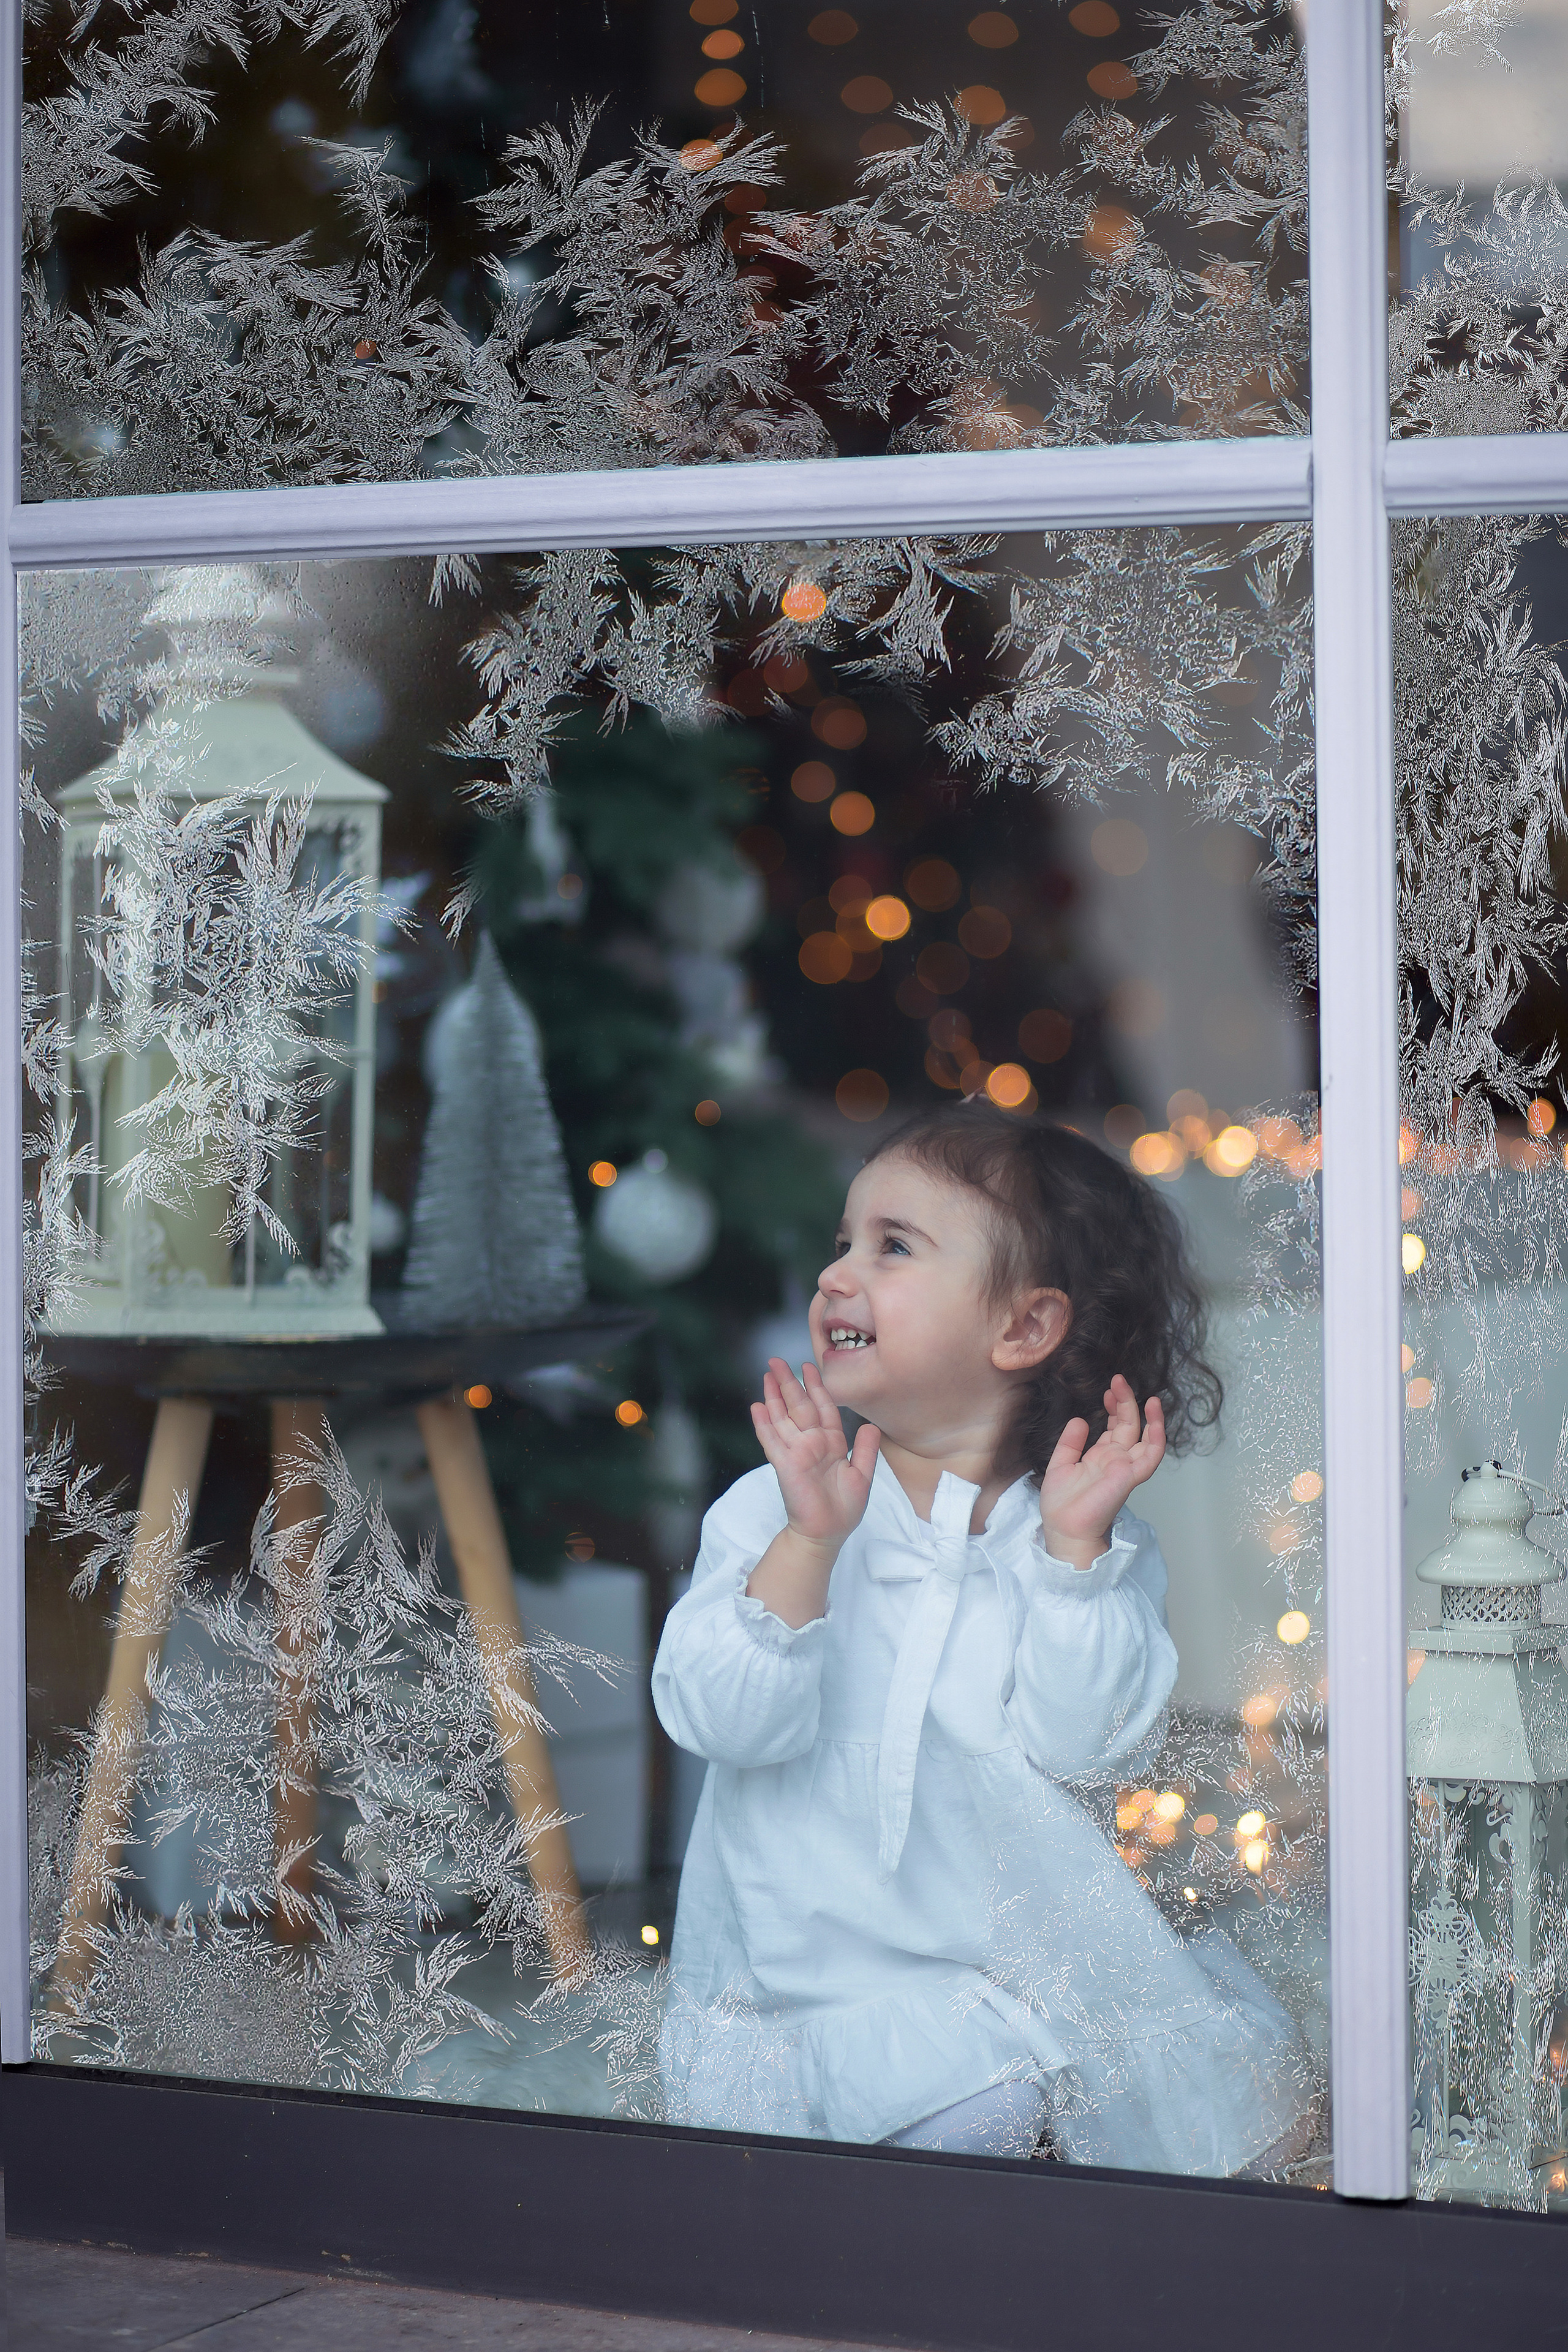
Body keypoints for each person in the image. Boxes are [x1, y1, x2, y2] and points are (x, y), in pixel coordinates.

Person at [652, 1101, 1313, 2169]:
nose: (836, 1275)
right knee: (958, 2121)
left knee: (1111, 2110)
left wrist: (1072, 1561)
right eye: (843, 1242)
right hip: (810, 1976)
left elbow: (1087, 1746)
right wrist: (811, 1545)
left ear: (1024, 1328)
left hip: (1009, 1968)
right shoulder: (772, 1507)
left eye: (892, 1247)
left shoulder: (1077, 1540)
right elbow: (722, 1723)